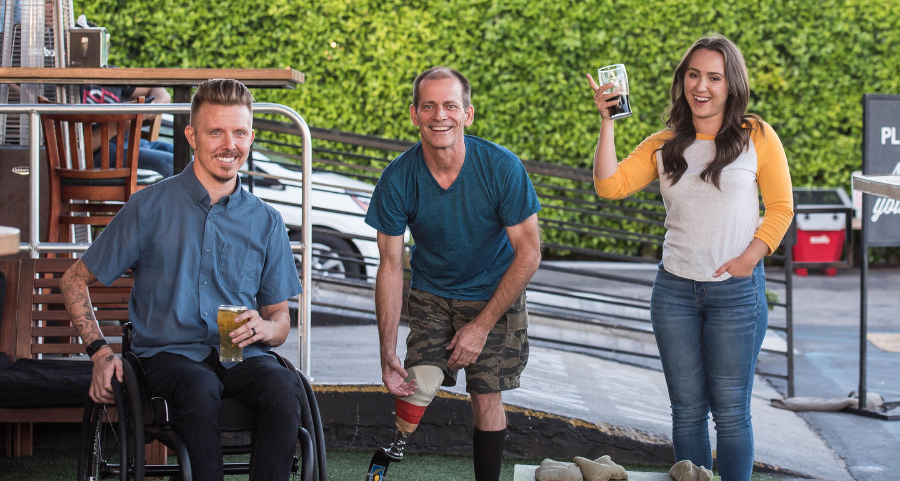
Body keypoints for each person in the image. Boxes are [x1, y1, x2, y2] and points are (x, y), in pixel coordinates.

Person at [61, 79, 303, 481]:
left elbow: (280, 322)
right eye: (216, 132)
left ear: (251, 137)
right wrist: (101, 355)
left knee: (283, 387)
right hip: (166, 356)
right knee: (197, 386)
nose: (230, 144)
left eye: (239, 132)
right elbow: (74, 279)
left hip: (239, 353)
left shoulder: (266, 220)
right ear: (192, 136)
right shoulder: (148, 206)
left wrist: (265, 326)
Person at [587, 35, 793, 480]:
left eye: (714, 77)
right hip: (675, 293)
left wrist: (748, 258)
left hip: (736, 294)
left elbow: (781, 208)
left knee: (732, 413)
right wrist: (608, 124)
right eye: (693, 75)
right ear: (682, 82)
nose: (702, 86)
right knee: (686, 411)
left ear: (731, 84)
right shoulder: (664, 144)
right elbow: (609, 185)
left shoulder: (755, 134)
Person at [365, 66, 542, 481]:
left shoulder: (501, 167)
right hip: (432, 291)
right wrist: (386, 348)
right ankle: (393, 449)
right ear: (414, 114)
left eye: (449, 105)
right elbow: (390, 265)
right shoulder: (397, 179)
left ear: (468, 114)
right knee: (420, 382)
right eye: (428, 106)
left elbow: (529, 254)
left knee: (485, 393)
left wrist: (481, 327)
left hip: (494, 290)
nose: (439, 115)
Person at [82, 83, 176, 177]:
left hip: (132, 143)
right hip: (98, 153)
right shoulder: (71, 81)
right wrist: (116, 126)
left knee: (186, 156)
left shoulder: (111, 74)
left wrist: (152, 107)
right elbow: (74, 149)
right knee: (172, 164)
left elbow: (162, 93)